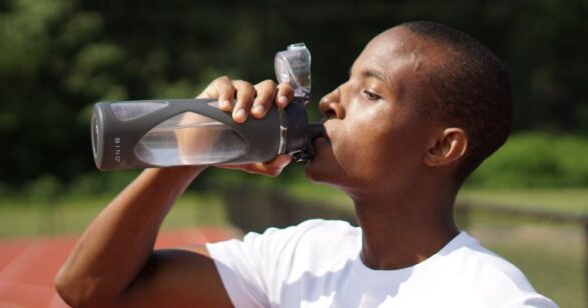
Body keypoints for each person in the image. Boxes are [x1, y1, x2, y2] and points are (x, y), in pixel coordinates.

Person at [55, 21, 557, 307]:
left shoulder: (488, 296)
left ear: (440, 148)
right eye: (343, 81)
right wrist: (193, 142)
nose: (329, 102)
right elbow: (87, 290)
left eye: (369, 92)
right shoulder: (305, 256)